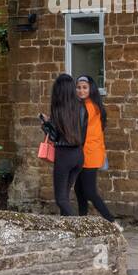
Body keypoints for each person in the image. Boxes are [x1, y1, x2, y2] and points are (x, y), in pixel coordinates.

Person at [40, 73, 88, 217]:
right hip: (79, 155)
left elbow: (54, 137)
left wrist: (46, 124)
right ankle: (67, 230)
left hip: (64, 155)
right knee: (65, 196)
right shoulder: (82, 107)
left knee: (61, 199)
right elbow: (83, 134)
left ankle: (80, 228)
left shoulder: (58, 109)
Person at [73, 75, 117, 224]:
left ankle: (112, 222)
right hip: (86, 152)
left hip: (89, 154)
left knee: (90, 192)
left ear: (91, 89)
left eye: (84, 87)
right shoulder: (91, 105)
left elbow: (79, 131)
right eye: (78, 87)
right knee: (79, 191)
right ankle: (83, 222)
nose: (81, 90)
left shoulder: (87, 107)